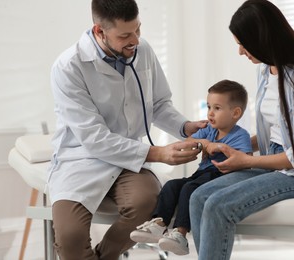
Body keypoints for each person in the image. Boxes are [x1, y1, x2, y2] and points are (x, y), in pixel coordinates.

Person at [47, 0, 207, 259]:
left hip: (128, 162)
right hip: (80, 161)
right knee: (70, 238)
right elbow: (94, 139)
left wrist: (185, 127)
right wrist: (159, 153)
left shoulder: (142, 50)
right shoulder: (69, 67)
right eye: (125, 35)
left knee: (147, 203)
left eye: (138, 30)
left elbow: (158, 105)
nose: (135, 40)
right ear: (99, 31)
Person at [189, 1, 294, 259]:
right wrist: (233, 146)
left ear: (261, 38)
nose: (240, 52)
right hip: (277, 160)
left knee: (218, 205)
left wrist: (246, 160)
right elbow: (276, 132)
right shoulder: (266, 70)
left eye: (243, 43)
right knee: (198, 197)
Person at [129, 79, 253, 255]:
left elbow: (245, 160)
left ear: (236, 113)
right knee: (172, 185)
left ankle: (180, 233)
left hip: (220, 175)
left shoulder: (240, 135)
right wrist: (203, 143)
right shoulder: (209, 130)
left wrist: (221, 149)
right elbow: (188, 141)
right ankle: (158, 224)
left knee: (189, 188)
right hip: (201, 173)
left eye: (217, 108)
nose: (210, 113)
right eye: (209, 107)